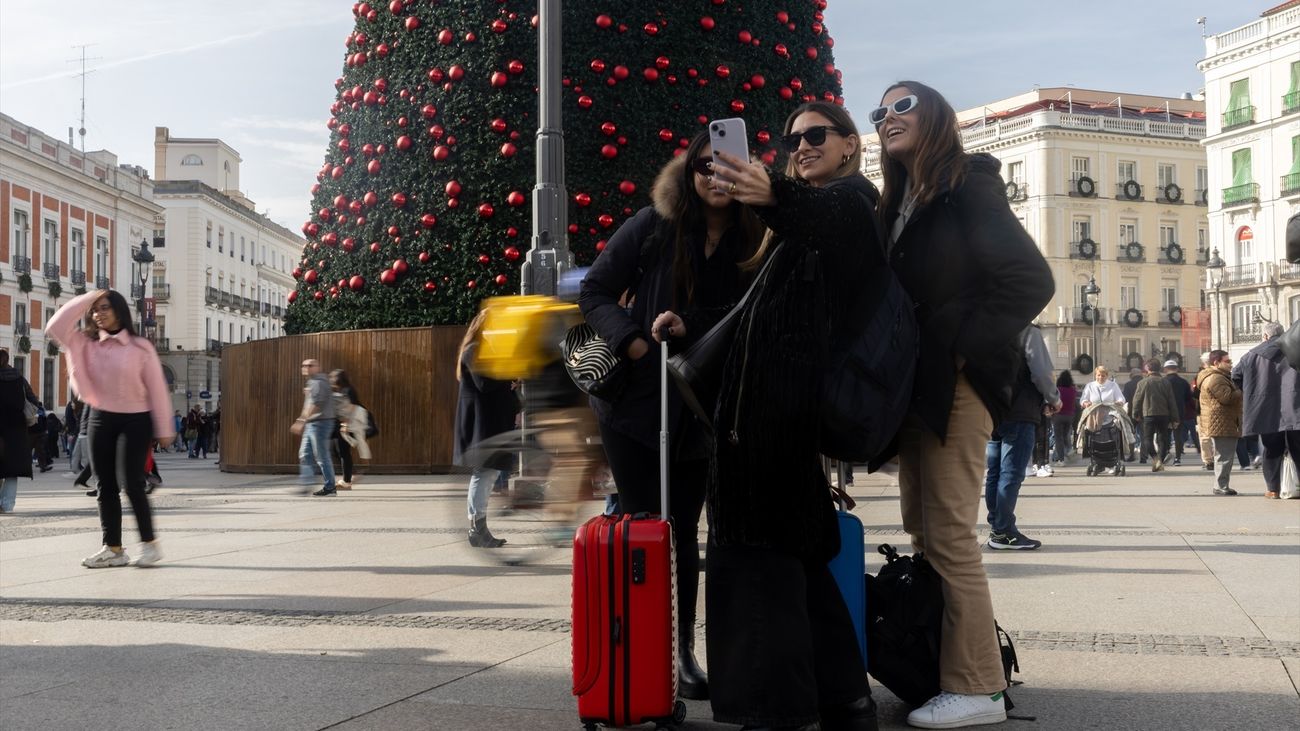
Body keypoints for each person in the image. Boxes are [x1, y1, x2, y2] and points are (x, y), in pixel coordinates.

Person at [684, 100, 882, 729]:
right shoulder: (801, 222)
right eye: (794, 138)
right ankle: (842, 696)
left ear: (850, 145)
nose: (801, 145)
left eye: (817, 135)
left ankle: (776, 710)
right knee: (798, 556)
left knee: (760, 563)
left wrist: (771, 195)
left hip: (775, 419)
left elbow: (825, 221)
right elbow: (762, 312)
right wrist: (688, 324)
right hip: (767, 413)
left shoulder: (853, 201)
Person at [875, 81, 1053, 729]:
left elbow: (1030, 279)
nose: (886, 117)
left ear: (936, 118)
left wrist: (959, 349)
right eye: (879, 111)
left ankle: (977, 686)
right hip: (920, 389)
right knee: (924, 532)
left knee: (949, 534)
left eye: (902, 106)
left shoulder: (967, 185)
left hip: (957, 384)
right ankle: (943, 667)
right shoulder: (902, 200)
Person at [580, 129, 763, 702]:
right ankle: (643, 647)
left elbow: (751, 311)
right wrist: (633, 341)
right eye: (705, 168)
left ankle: (680, 649)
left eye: (727, 167)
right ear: (690, 174)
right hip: (634, 404)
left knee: (684, 528)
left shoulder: (754, 236)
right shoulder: (655, 224)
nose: (716, 178)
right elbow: (596, 291)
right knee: (642, 524)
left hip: (700, 407)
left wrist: (694, 326)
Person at [46, 289, 175, 567]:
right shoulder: (85, 343)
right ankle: (113, 549)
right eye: (95, 310)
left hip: (136, 419)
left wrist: (165, 427)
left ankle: (150, 544)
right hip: (100, 416)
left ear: (119, 310)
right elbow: (55, 325)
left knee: (132, 483)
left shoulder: (140, 347)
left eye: (104, 307)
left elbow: (157, 389)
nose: (98, 314)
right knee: (105, 485)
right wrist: (91, 295)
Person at [985, 326, 1060, 550]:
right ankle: (1004, 531)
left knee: (995, 472)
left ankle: (997, 527)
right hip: (1020, 411)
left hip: (993, 412)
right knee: (1011, 473)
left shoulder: (989, 327)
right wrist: (1053, 398)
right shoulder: (1026, 329)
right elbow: (1041, 372)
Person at [453, 311, 518, 548]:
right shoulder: (474, 349)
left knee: (488, 475)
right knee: (484, 474)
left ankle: (480, 528)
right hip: (481, 424)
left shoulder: (485, 349)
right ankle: (476, 528)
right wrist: (508, 376)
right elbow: (484, 383)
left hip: (489, 422)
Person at [1233, 322, 1300, 499]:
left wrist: (1250, 391)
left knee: (1271, 449)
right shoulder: (1295, 349)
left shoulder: (1251, 355)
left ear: (1264, 336)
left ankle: (1273, 489)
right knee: (1298, 448)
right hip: (1295, 407)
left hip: (1264, 409)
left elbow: (1236, 375)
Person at [0, 349, 39, 513]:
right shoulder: (19, 378)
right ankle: (7, 505)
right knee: (11, 468)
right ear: (8, 360)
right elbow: (33, 400)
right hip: (16, 428)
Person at [1199, 351, 1243, 496]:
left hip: (1221, 420)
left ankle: (1222, 484)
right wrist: (1241, 390)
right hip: (1222, 422)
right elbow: (1227, 398)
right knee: (1224, 456)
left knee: (1224, 455)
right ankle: (1220, 485)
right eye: (1227, 361)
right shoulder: (1216, 378)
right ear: (1216, 363)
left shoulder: (1219, 376)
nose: (1230, 364)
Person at [293, 359, 337, 496]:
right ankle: (306, 484)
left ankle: (330, 487)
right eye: (304, 365)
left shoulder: (319, 382)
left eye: (310, 365)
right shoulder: (312, 383)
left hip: (321, 423)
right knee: (305, 454)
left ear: (318, 367)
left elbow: (317, 404)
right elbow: (309, 404)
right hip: (312, 423)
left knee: (322, 456)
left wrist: (301, 421)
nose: (306, 367)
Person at [1130, 358, 1180, 472]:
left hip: (1148, 414)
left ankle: (1155, 459)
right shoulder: (1166, 382)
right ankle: (1160, 461)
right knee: (1162, 439)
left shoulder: (1143, 382)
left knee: (1147, 438)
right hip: (1164, 414)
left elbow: (1136, 400)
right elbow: (1171, 401)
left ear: (1147, 368)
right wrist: (1175, 418)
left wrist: (1135, 414)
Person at [330, 369, 368, 489]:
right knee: (335, 450)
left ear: (338, 379)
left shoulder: (348, 390)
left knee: (343, 452)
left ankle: (347, 481)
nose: (330, 380)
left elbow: (352, 408)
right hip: (339, 424)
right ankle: (349, 476)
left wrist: (346, 424)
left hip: (345, 424)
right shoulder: (343, 390)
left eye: (332, 377)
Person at [1162, 360, 1193, 466]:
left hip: (1165, 411)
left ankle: (1165, 453)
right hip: (1179, 411)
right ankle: (1177, 458)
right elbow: (1189, 398)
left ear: (1165, 369)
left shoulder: (1163, 381)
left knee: (1165, 435)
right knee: (1178, 435)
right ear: (1177, 369)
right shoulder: (1183, 382)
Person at [1193, 352, 1215, 470]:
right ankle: (1217, 458)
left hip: (1202, 410)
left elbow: (1195, 393)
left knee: (1205, 436)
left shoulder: (1199, 376)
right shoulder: (1223, 374)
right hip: (1218, 409)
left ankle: (1208, 460)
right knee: (1218, 436)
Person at [1050, 370, 1078, 465]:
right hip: (1069, 416)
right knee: (1066, 435)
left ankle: (1061, 459)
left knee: (1058, 438)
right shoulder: (1073, 390)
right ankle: (1069, 450)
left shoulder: (1057, 390)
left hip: (1058, 415)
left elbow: (1053, 401)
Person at [1122, 368, 1146, 462]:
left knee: (1131, 434)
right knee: (1144, 435)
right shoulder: (1145, 382)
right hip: (1144, 412)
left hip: (1131, 412)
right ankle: (1143, 457)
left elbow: (1125, 399)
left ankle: (1132, 455)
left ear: (1131, 375)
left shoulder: (1128, 385)